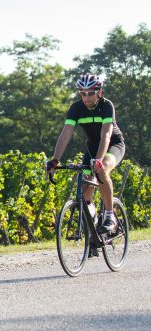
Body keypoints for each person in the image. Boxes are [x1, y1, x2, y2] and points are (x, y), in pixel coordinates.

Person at [45, 74, 125, 233]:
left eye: (90, 93)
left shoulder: (106, 106)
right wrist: (55, 160)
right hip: (92, 148)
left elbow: (106, 135)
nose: (87, 97)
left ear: (99, 93)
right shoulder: (76, 108)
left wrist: (100, 159)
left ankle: (110, 215)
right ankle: (92, 220)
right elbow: (65, 134)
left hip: (113, 145)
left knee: (101, 170)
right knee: (85, 188)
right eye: (83, 94)